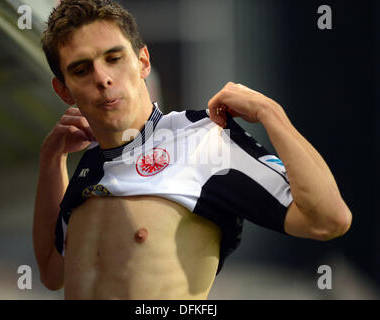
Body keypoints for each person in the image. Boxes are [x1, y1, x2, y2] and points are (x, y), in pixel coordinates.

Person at [33, 0, 352, 300]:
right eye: (81, 70)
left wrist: (271, 114)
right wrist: (51, 158)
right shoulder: (89, 166)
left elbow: (329, 220)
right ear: (63, 90)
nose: (102, 78)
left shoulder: (204, 138)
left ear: (143, 62)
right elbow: (52, 271)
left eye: (114, 59)